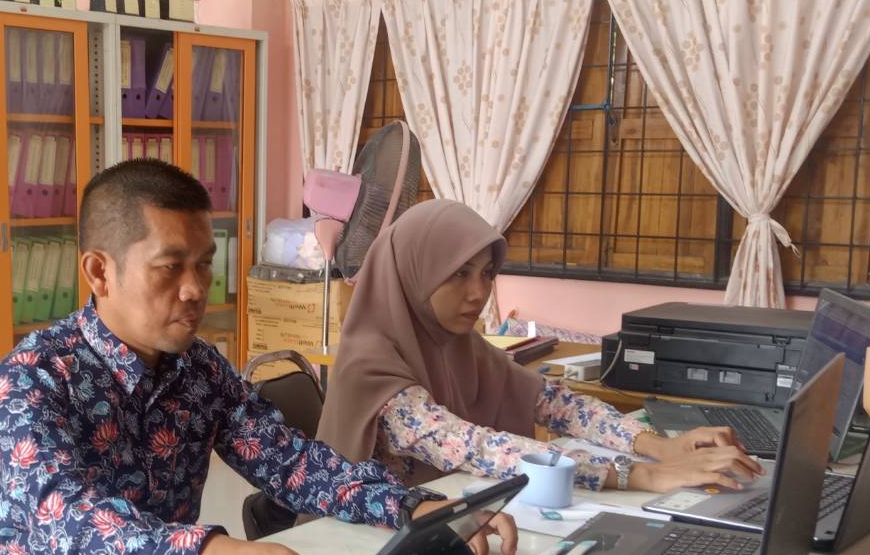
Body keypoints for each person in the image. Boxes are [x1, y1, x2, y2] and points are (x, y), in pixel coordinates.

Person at [0, 162, 516, 555]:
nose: (195, 289)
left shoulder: (199, 370)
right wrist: (208, 554)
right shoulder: (30, 380)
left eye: (204, 264)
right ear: (99, 272)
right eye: (170, 266)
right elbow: (65, 518)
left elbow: (290, 462)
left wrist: (411, 507)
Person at [317, 199, 763, 496]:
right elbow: (473, 446)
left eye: (487, 274)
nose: (479, 293)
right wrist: (640, 473)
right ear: (413, 274)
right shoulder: (369, 366)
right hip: (356, 554)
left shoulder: (458, 344)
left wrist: (659, 445)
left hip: (450, 523)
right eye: (459, 274)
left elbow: (555, 402)